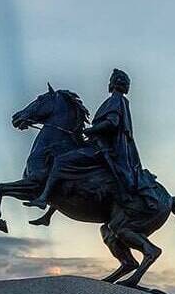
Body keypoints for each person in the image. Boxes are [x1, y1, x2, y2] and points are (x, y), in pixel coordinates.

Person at [25, 68, 143, 209]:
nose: (109, 82)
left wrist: (92, 129)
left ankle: (43, 198)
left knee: (61, 160)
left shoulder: (116, 100)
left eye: (111, 79)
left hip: (102, 148)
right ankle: (49, 211)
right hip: (98, 144)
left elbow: (113, 122)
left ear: (115, 82)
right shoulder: (118, 101)